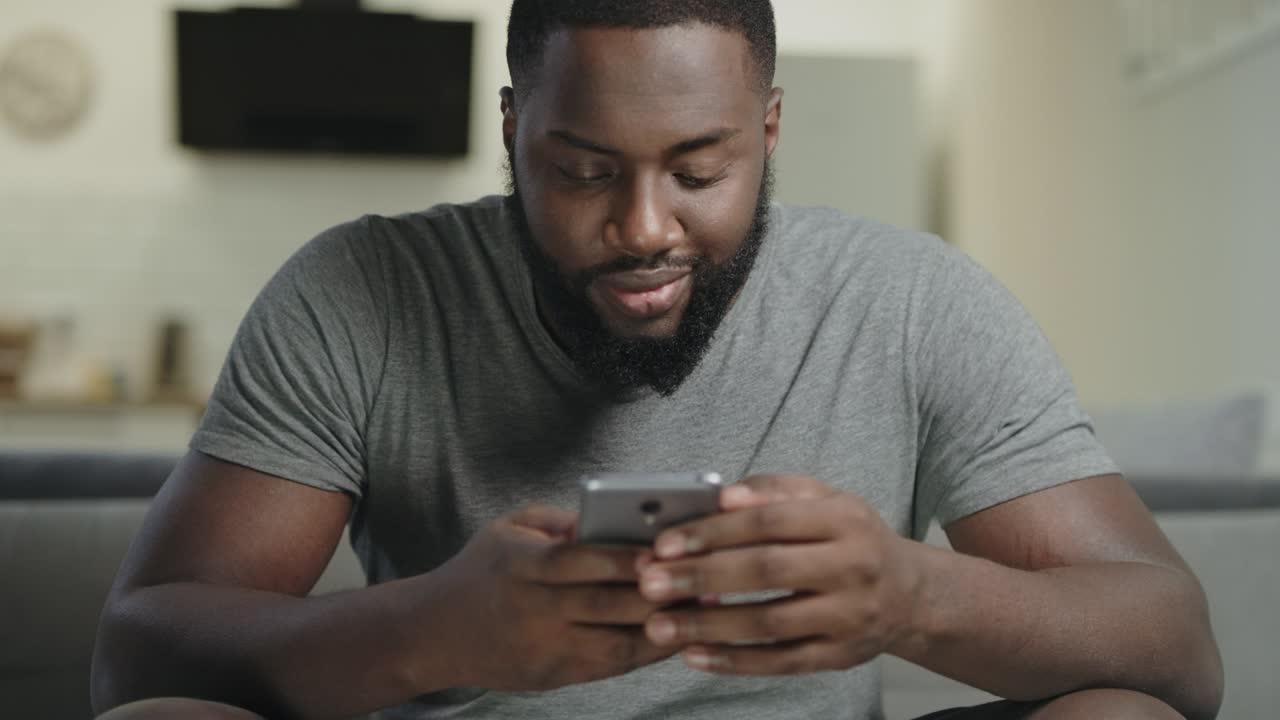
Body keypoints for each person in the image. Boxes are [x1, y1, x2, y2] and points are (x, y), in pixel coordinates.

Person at [90, 2, 1223, 719]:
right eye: (582, 169)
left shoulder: (913, 300)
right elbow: (137, 657)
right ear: (510, 127)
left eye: (696, 170)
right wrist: (431, 629)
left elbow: (1174, 649)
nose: (641, 228)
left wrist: (914, 596)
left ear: (767, 129)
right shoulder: (358, 293)